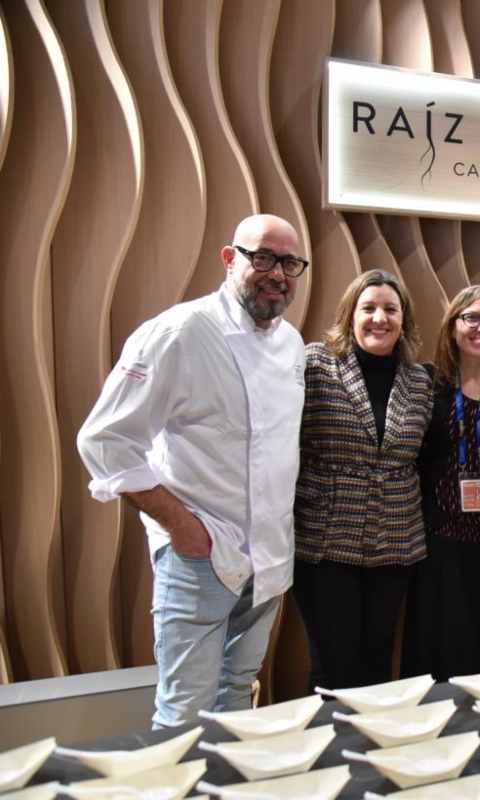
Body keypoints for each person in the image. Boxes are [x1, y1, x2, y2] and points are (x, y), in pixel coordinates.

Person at [77, 214, 308, 727]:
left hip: (268, 558)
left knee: (236, 702)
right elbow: (105, 440)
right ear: (230, 259)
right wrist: (180, 524)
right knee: (184, 712)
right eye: (262, 257)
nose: (277, 273)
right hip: (200, 556)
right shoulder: (179, 331)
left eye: (289, 263)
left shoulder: (292, 343)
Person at [291, 270, 432, 690]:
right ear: (350, 315)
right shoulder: (315, 363)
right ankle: (334, 752)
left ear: (403, 319)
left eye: (390, 309)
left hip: (395, 541)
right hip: (325, 540)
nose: (379, 318)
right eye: (368, 308)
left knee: (377, 658)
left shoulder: (421, 379)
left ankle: (372, 751)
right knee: (333, 665)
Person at [403, 285, 480, 680]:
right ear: (453, 325)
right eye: (471, 317)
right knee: (441, 649)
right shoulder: (427, 385)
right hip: (440, 543)